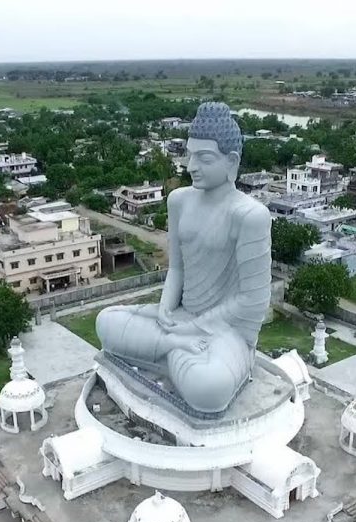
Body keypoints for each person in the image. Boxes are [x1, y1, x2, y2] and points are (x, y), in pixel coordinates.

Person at [95, 102, 271, 417]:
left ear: (231, 161)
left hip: (223, 332)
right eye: (190, 155)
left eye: (204, 158)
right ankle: (169, 348)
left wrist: (194, 328)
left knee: (209, 387)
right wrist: (166, 308)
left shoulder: (250, 215)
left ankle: (164, 350)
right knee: (105, 321)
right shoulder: (180, 201)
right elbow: (177, 268)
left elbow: (253, 301)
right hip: (180, 318)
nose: (191, 166)